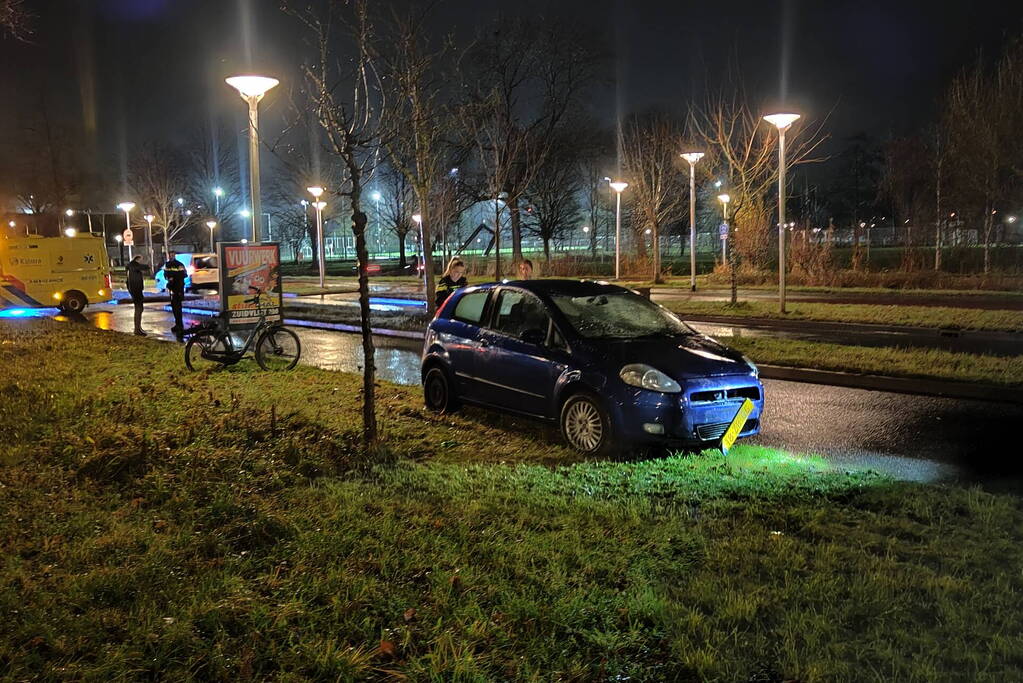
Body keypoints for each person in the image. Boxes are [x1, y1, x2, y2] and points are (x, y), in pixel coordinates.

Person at [163, 251, 187, 338]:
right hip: (172, 288)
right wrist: (168, 278)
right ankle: (177, 325)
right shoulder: (167, 264)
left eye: (173, 255)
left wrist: (173, 277)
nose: (171, 256)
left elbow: (184, 274)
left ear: (175, 255)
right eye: (170, 255)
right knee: (174, 307)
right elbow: (165, 274)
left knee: (178, 307)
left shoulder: (179, 264)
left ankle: (180, 325)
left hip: (178, 288)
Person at [125, 254, 149, 336]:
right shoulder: (134, 266)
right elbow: (144, 267)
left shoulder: (131, 267)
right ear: (138, 259)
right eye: (141, 260)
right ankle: (137, 329)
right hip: (136, 290)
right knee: (139, 308)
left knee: (139, 309)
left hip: (134, 290)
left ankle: (138, 327)